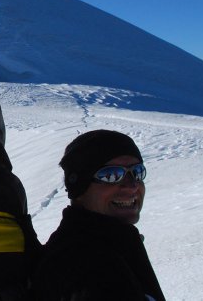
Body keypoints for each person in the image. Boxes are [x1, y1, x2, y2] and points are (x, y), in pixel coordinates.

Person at [31, 129, 165, 300]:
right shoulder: (85, 262)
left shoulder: (113, 243)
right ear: (79, 187)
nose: (132, 186)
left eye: (137, 172)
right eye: (112, 175)